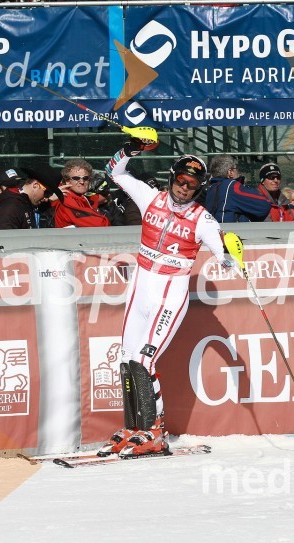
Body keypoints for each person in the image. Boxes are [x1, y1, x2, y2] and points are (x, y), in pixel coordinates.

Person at [102, 136, 233, 458]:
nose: (184, 188)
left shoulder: (202, 218)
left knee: (145, 359)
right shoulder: (151, 198)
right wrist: (130, 149)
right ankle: (134, 428)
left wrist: (231, 252)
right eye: (181, 180)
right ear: (172, 177)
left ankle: (155, 432)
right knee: (127, 357)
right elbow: (115, 174)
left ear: (199, 187)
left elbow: (225, 255)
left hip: (170, 292)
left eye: (192, 184)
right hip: (141, 286)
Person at [203, 155, 271, 223]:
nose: (238, 172)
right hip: (233, 232)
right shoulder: (231, 186)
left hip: (216, 230)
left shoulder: (211, 188)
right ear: (230, 172)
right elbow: (264, 205)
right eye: (236, 169)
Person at [53, 159, 110, 228]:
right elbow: (101, 224)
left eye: (85, 178)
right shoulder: (66, 199)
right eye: (76, 178)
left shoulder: (81, 196)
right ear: (67, 181)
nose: (82, 182)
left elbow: (101, 198)